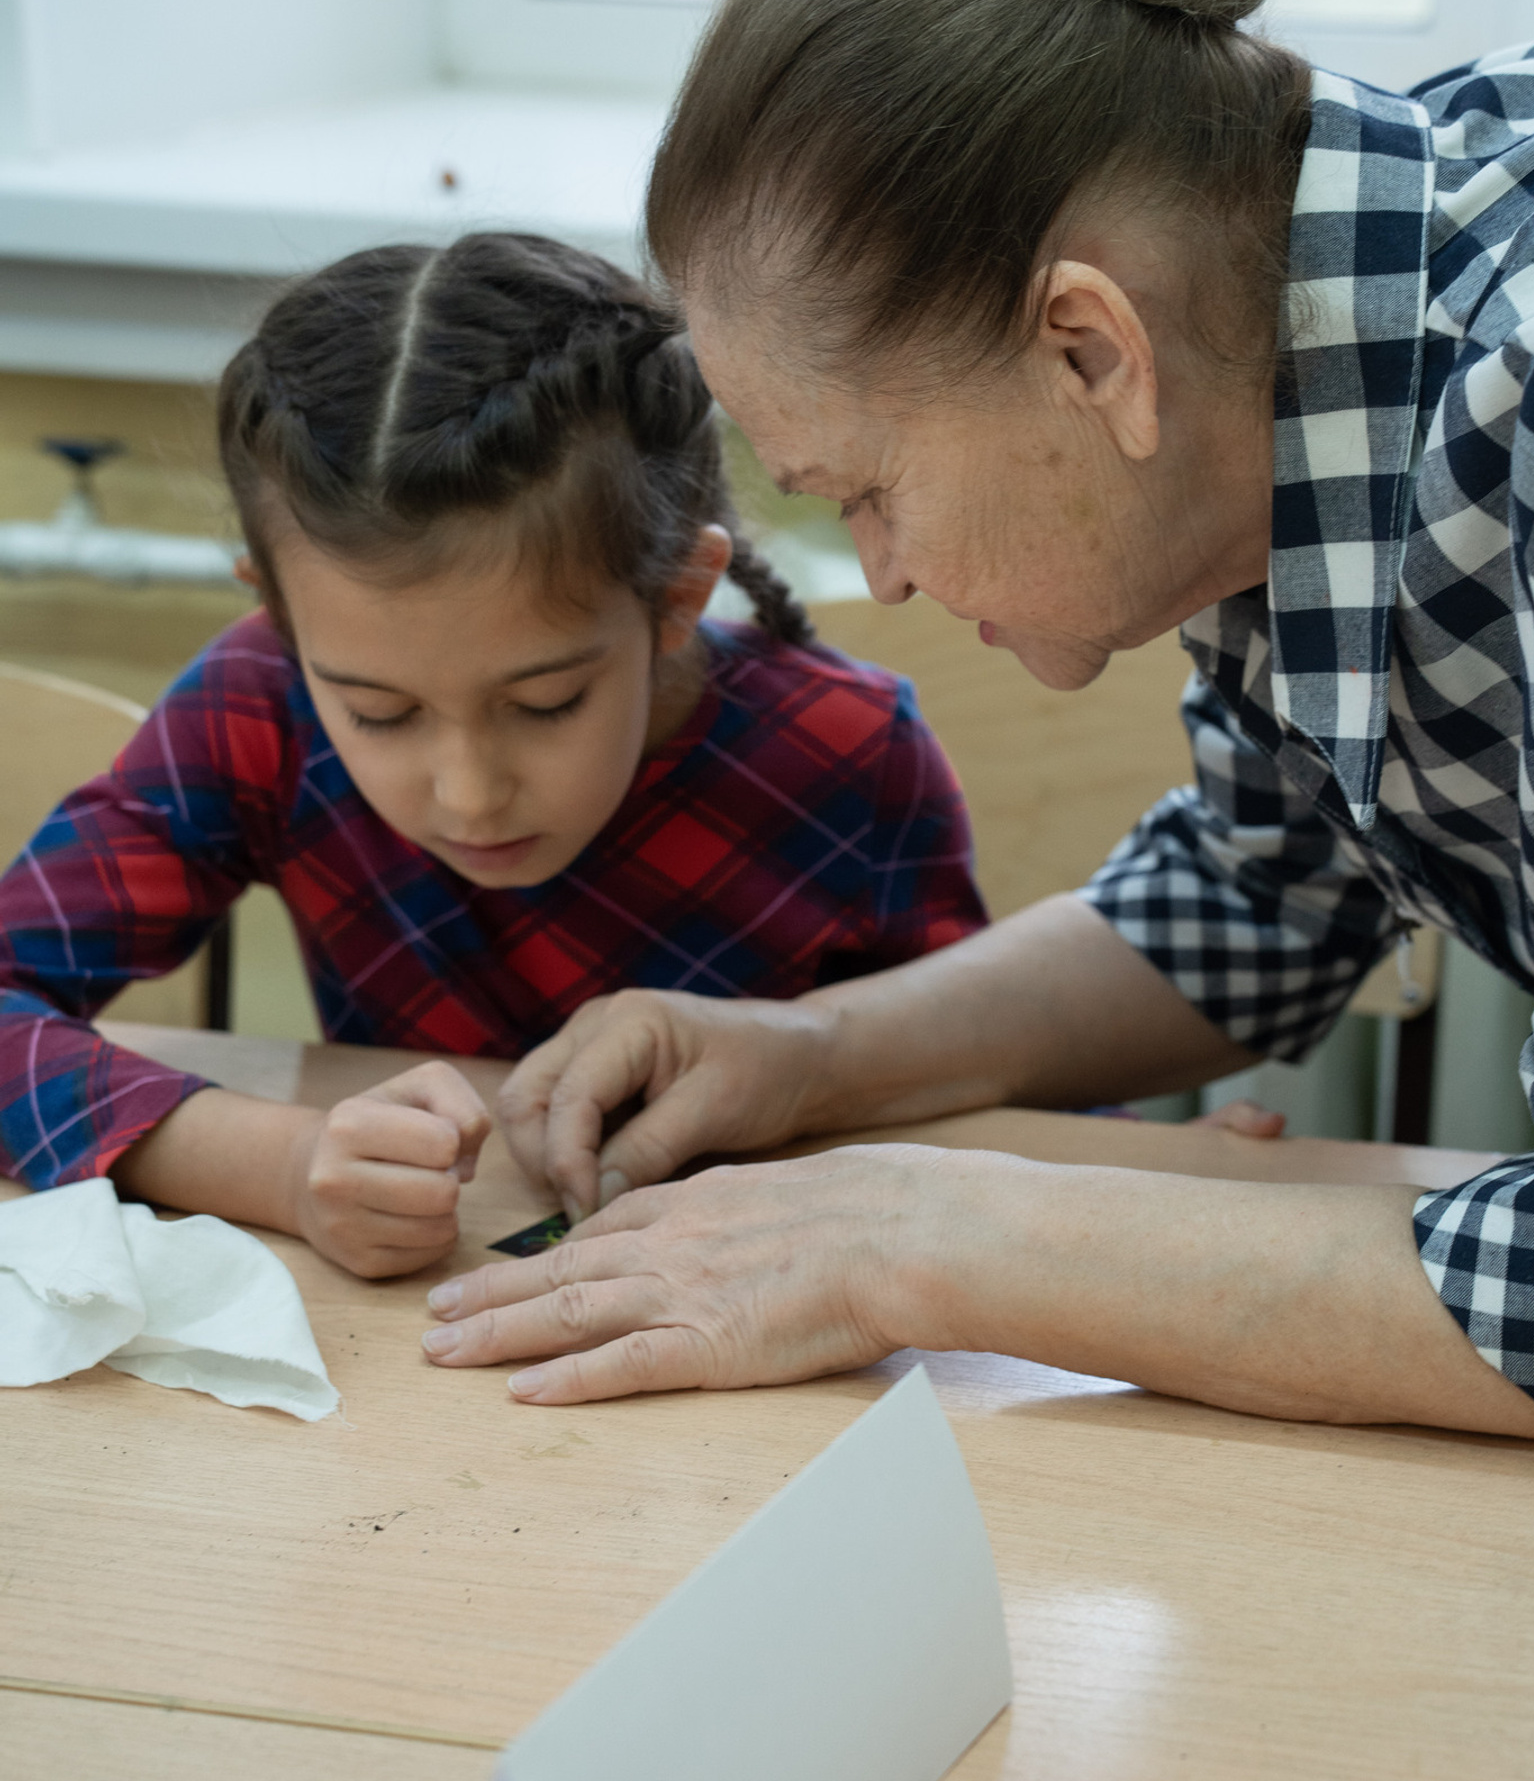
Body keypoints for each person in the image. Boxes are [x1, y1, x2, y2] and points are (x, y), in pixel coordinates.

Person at [420, 0, 1534, 1464]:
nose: (888, 573)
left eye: (869, 488)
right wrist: (814, 1055)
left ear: (1088, 352)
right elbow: (1263, 893)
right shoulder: (1293, 294)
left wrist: (915, 1239)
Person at [0, 232, 985, 1278]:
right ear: (280, 614)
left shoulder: (850, 754)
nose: (469, 793)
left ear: (678, 598)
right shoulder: (258, 709)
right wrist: (273, 1163)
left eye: (547, 702)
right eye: (380, 714)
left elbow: (997, 1092)